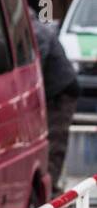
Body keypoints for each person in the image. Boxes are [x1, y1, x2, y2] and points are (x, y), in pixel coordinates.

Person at [32, 12, 79, 193]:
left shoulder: (37, 32)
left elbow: (37, 66)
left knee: (55, 140)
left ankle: (51, 190)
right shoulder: (34, 29)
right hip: (52, 90)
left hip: (61, 91)